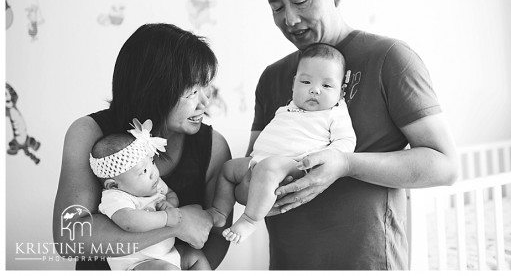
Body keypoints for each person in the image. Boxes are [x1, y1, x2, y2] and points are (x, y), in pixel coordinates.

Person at [243, 0, 458, 270]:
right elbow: (249, 178)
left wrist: (346, 164)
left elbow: (445, 165)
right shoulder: (273, 77)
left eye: (301, 1)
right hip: (287, 262)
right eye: (276, 7)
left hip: (368, 261)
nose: (290, 19)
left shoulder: (389, 59)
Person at [53, 23, 232, 270]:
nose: (205, 101)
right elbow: (70, 237)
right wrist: (176, 223)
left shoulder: (214, 147)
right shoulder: (88, 133)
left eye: (206, 85)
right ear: (154, 90)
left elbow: (214, 237)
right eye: (192, 91)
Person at [208, 43, 356, 244]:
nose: (314, 90)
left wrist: (326, 158)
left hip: (295, 163)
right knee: (228, 169)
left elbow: (346, 141)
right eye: (305, 82)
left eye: (327, 85)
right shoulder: (289, 106)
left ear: (341, 92)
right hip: (259, 161)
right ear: (294, 84)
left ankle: (251, 220)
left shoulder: (335, 112)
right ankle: (219, 211)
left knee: (269, 169)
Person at [89, 119, 210, 270]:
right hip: (138, 262)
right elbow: (128, 221)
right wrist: (165, 218)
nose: (153, 173)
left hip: (167, 252)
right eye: (143, 171)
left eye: (151, 163)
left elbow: (170, 193)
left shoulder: (153, 183)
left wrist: (171, 204)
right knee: (168, 271)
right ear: (114, 184)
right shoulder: (115, 197)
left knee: (195, 256)